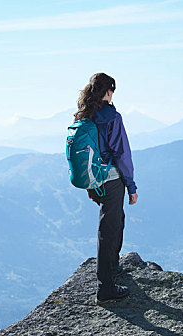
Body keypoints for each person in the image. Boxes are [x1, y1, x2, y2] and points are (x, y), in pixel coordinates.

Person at [73, 72, 138, 304]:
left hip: (95, 178)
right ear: (108, 91)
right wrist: (131, 185)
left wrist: (90, 184)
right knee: (109, 229)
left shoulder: (84, 115)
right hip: (111, 179)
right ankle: (106, 288)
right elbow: (122, 153)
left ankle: (111, 269)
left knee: (113, 222)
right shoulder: (112, 117)